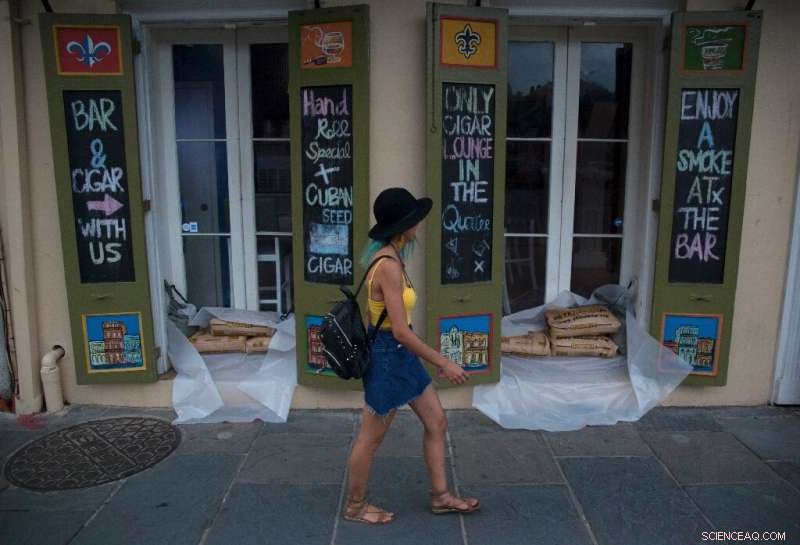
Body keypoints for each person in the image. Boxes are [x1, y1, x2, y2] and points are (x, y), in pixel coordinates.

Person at [342, 187, 480, 525]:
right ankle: (355, 506)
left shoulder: (390, 256)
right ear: (403, 226)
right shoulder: (387, 265)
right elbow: (400, 331)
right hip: (389, 357)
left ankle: (441, 496)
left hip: (400, 354)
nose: (419, 223)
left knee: (437, 421)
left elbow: (387, 322)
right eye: (414, 219)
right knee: (370, 439)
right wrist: (443, 361)